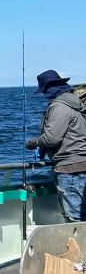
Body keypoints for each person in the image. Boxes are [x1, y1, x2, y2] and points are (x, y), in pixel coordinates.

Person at [26, 69, 86, 222]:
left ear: (50, 89)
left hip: (70, 168)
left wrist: (33, 143)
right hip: (82, 164)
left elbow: (52, 138)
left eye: (45, 91)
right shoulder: (76, 103)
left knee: (74, 217)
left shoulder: (59, 106)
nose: (45, 95)